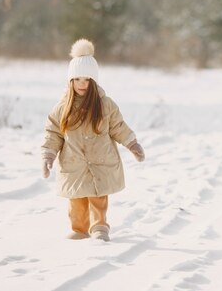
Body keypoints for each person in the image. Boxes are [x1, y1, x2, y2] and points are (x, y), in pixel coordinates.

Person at [41, 38, 146, 242]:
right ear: (71, 81)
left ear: (94, 81)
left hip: (100, 161)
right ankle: (79, 229)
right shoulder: (62, 108)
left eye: (87, 80)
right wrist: (48, 155)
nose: (82, 84)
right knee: (77, 200)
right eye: (78, 79)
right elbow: (53, 133)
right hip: (74, 164)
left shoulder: (105, 105)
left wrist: (132, 143)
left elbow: (118, 126)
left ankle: (99, 226)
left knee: (98, 197)